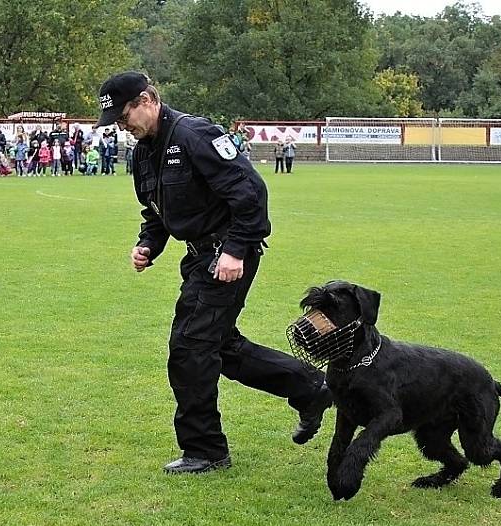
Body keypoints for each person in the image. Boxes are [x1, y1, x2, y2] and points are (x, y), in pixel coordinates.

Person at [96, 71, 332, 474]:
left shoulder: (195, 135)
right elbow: (157, 211)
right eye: (116, 121)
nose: (123, 126)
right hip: (200, 257)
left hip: (227, 255)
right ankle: (310, 388)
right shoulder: (143, 153)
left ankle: (205, 449)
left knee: (189, 347)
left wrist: (236, 250)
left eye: (125, 115)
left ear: (148, 99)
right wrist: (148, 243)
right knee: (218, 347)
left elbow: (251, 193)